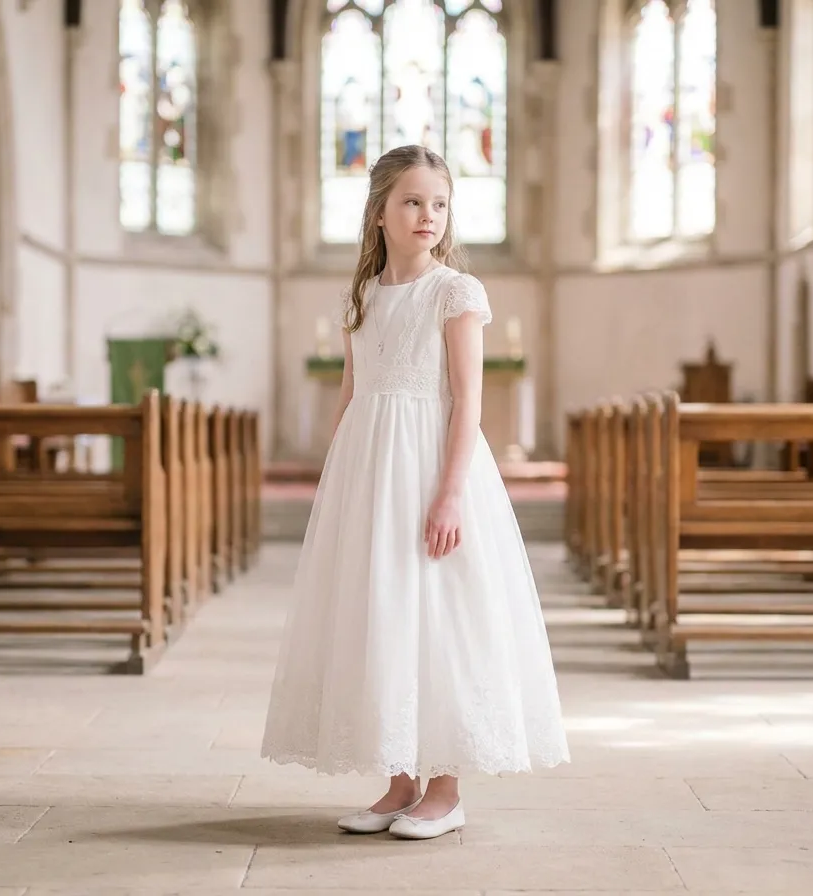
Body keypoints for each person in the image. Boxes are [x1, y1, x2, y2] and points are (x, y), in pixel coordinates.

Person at [260, 144, 569, 841]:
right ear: (379, 212)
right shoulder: (362, 298)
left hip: (432, 468)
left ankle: (446, 791)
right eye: (412, 201)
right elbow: (350, 394)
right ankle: (400, 781)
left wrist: (450, 495)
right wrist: (338, 485)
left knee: (440, 615)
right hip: (370, 474)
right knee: (384, 612)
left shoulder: (454, 292)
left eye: (439, 203)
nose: (428, 215)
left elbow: (468, 402)